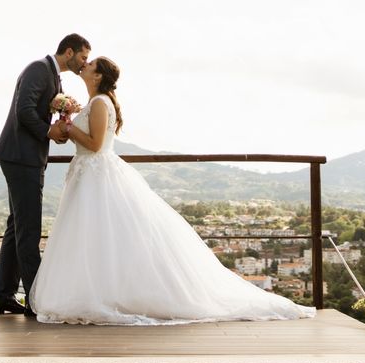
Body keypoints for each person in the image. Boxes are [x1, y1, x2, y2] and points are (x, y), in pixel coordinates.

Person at [29, 57, 317, 325]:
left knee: (104, 235)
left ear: (99, 75)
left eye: (90, 64)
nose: (85, 65)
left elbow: (94, 144)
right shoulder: (93, 102)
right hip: (85, 176)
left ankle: (109, 295)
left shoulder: (101, 102)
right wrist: (67, 125)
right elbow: (82, 140)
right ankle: (92, 291)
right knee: (89, 238)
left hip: (97, 175)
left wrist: (68, 125)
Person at [0, 34, 91, 317]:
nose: (84, 63)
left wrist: (56, 130)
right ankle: (36, 301)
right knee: (29, 229)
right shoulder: (38, 69)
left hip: (25, 156)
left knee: (17, 227)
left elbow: (35, 114)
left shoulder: (53, 76)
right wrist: (48, 132)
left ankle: (3, 297)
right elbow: (24, 111)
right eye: (83, 57)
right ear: (69, 51)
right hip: (22, 158)